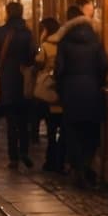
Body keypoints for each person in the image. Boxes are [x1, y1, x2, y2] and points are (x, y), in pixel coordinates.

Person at [53, 8, 108, 185]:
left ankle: (78, 168)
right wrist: (98, 83)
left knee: (73, 131)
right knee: (91, 131)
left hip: (71, 91)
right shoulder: (96, 42)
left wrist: (61, 88)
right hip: (92, 90)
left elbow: (59, 69)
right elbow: (104, 65)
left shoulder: (64, 42)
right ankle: (86, 164)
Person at [0, 2, 36, 169]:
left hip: (6, 79)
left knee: (10, 120)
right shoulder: (27, 33)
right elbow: (32, 55)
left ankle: (13, 157)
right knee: (23, 119)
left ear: (7, 12)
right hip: (23, 79)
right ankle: (24, 151)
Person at [33, 17, 65, 173]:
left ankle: (50, 159)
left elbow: (38, 60)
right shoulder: (63, 44)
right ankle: (60, 158)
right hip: (61, 87)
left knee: (51, 126)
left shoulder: (44, 46)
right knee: (61, 124)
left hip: (47, 88)